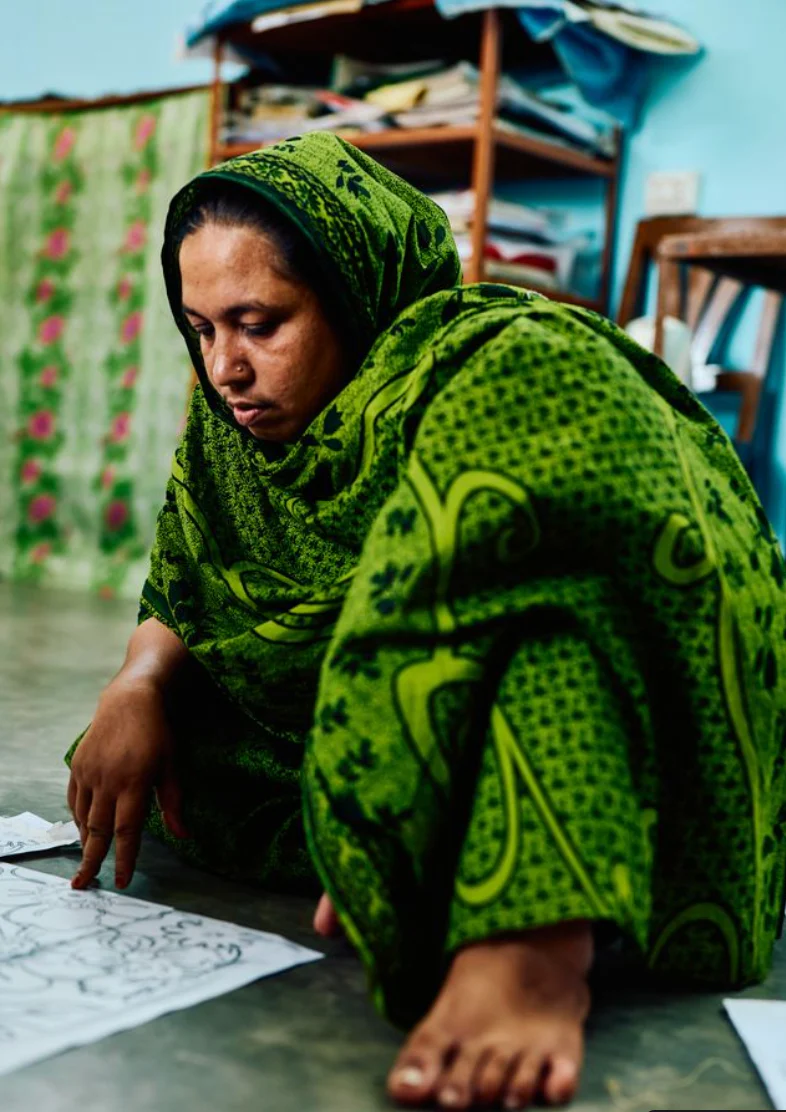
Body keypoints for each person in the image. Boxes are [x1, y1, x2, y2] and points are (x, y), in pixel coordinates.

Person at [66, 133, 786, 1111]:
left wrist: (400, 752)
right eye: (199, 328)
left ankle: (534, 945)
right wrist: (138, 679)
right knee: (178, 746)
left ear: (355, 293)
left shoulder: (471, 363)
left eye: (260, 322)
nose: (226, 366)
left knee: (555, 641)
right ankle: (396, 823)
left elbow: (597, 537)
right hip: (336, 706)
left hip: (526, 675)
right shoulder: (233, 423)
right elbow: (191, 570)